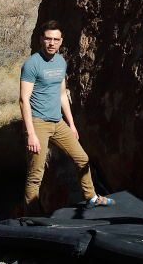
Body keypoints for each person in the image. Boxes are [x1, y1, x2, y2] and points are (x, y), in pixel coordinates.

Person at [20, 20, 114, 215]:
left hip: (58, 122)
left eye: (55, 39)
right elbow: (23, 100)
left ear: (61, 41)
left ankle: (91, 197)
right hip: (38, 123)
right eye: (48, 39)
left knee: (82, 158)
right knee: (36, 174)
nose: (51, 43)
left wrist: (71, 124)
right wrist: (31, 133)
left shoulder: (61, 62)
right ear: (41, 39)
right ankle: (31, 216)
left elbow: (62, 94)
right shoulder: (31, 64)